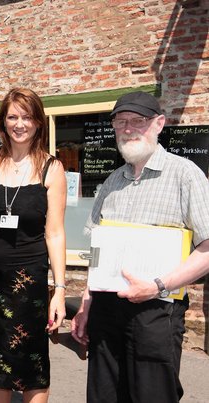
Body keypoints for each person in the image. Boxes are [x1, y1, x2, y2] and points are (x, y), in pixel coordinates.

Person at [70, 91, 209, 402]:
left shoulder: (185, 175)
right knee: (104, 395)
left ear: (159, 124)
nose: (128, 128)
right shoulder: (111, 182)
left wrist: (158, 285)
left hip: (157, 309)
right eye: (121, 122)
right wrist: (85, 305)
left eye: (138, 121)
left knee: (153, 396)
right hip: (106, 308)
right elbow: (97, 251)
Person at [0, 87, 67, 403]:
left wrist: (59, 290)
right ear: (2, 121)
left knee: (30, 360)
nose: (19, 124)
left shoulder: (53, 168)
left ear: (38, 122)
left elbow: (56, 233)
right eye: (12, 117)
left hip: (26, 281)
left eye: (27, 117)